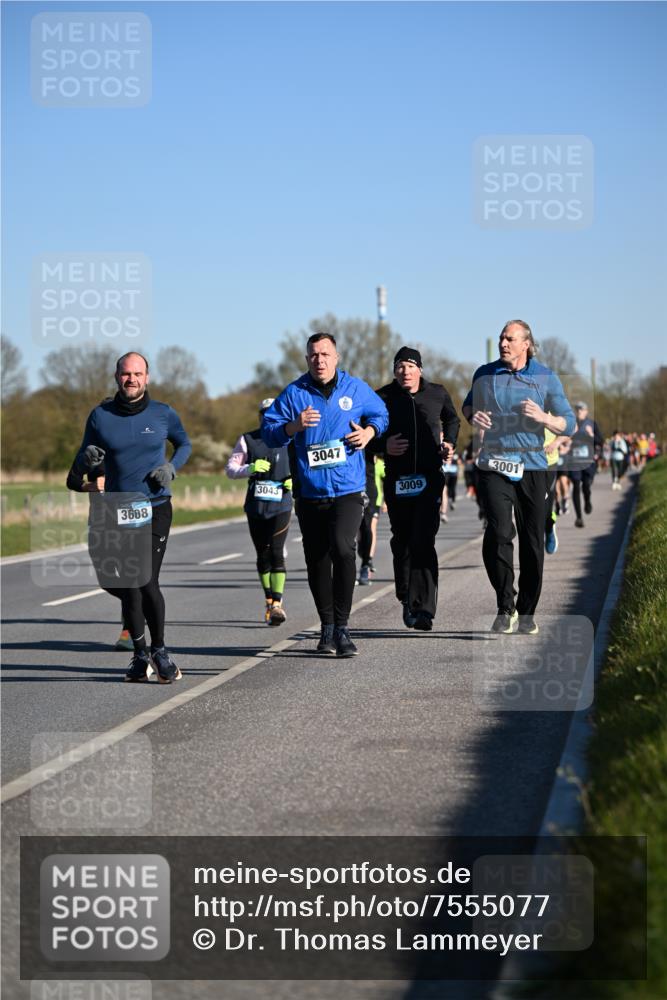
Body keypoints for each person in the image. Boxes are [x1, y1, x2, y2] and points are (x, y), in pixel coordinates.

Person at [261, 332, 388, 657]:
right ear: (307, 360)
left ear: (337, 357)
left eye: (325, 354)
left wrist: (369, 432)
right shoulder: (294, 393)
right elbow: (270, 433)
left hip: (348, 488)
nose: (320, 360)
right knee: (317, 559)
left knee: (344, 549)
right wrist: (293, 427)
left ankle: (343, 629)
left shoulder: (355, 388)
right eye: (314, 355)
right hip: (310, 491)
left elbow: (381, 414)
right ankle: (327, 628)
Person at [70, 351, 191, 682]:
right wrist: (86, 461)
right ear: (116, 377)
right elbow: (79, 466)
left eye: (138, 374)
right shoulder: (100, 417)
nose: (132, 379)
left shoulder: (163, 413)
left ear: (147, 377)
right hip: (117, 509)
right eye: (126, 374)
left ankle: (161, 653)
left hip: (155, 507)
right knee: (129, 585)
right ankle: (140, 657)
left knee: (145, 579)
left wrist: (171, 467)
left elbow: (184, 444)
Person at [462, 320, 576, 635]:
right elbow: (468, 405)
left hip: (534, 466)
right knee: (498, 532)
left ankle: (526, 612)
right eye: (501, 338)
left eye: (510, 339)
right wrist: (475, 416)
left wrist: (544, 417)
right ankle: (505, 606)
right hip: (495, 461)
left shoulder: (545, 377)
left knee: (531, 542)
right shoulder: (484, 374)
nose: (503, 343)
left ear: (526, 343)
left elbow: (569, 422)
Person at [373, 347, 460, 631]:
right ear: (394, 370)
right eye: (400, 366)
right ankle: (406, 594)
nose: (405, 371)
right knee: (402, 540)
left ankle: (423, 609)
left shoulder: (437, 392)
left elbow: (453, 419)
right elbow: (365, 431)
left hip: (428, 477)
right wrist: (382, 446)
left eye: (410, 366)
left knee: (423, 540)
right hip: (397, 479)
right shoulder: (382, 397)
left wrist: (450, 444)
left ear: (420, 369)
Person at [226, 398, 293, 624]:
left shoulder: (291, 439)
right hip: (256, 506)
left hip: (281, 505)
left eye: (273, 414)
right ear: (260, 416)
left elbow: (304, 464)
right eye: (265, 414)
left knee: (276, 551)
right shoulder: (248, 440)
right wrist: (249, 468)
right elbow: (231, 469)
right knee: (263, 555)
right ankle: (268, 600)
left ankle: (277, 603)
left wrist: (295, 480)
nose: (268, 418)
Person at [66, 449, 133, 651]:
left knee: (128, 577)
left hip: (127, 523)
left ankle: (129, 632)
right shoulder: (91, 452)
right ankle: (138, 601)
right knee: (106, 580)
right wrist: (91, 486)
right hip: (98, 522)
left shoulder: (133, 448)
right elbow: (72, 480)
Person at [357, 453, 384, 586]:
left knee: (367, 528)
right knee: (355, 532)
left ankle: (365, 565)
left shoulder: (369, 435)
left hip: (369, 491)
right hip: (347, 488)